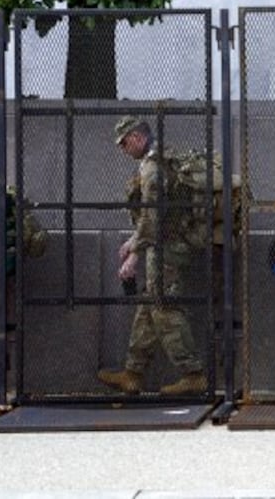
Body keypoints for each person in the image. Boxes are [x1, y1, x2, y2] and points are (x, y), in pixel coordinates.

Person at [97, 116, 206, 396]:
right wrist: (137, 242)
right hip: (166, 244)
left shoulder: (153, 167)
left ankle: (193, 373)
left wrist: (135, 251)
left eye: (124, 143)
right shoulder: (161, 161)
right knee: (149, 306)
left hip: (167, 247)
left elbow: (152, 215)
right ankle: (133, 373)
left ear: (137, 137)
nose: (123, 149)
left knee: (164, 307)